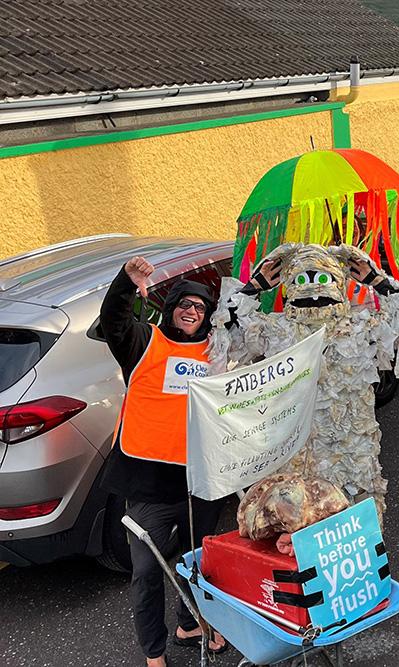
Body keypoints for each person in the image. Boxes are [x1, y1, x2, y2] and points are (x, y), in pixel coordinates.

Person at [100, 256, 264, 666]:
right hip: (148, 484)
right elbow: (113, 319)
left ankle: (190, 624)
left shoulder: (217, 352)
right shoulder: (144, 342)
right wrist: (125, 283)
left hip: (202, 480)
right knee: (147, 573)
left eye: (200, 306)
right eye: (184, 304)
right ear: (171, 308)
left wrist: (258, 285)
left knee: (199, 561)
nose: (192, 310)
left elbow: (243, 326)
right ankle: (154, 652)